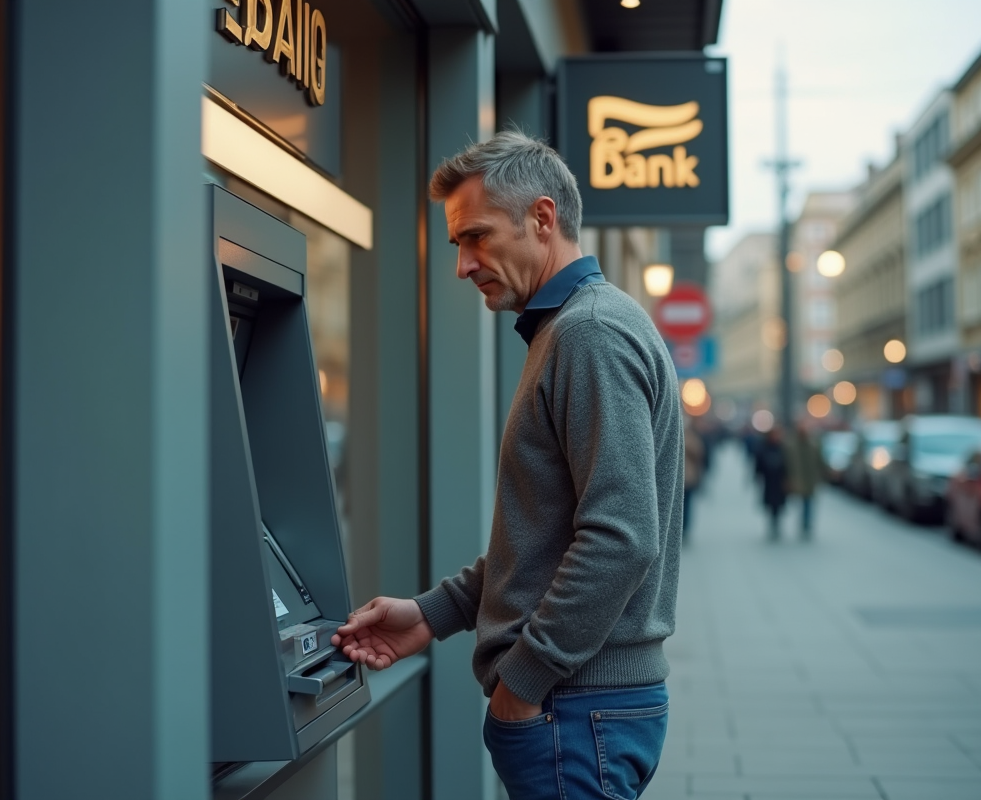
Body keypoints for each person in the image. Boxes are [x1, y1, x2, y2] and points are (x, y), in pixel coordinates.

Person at [331, 130, 684, 799]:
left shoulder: (588, 334)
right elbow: (546, 537)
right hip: (580, 707)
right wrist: (433, 612)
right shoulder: (573, 329)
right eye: (458, 243)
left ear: (542, 219)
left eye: (476, 237)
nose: (462, 266)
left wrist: (523, 684)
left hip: (573, 709)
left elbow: (620, 537)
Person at [785, 418, 824, 539]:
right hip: (797, 478)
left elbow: (820, 461)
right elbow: (787, 463)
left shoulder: (813, 445)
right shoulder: (791, 445)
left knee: (808, 503)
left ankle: (806, 524)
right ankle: (803, 522)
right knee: (799, 502)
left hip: (810, 479)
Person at [755, 425, 787, 540]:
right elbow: (759, 463)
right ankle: (772, 523)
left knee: (779, 505)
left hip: (780, 481)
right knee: (770, 505)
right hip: (769, 481)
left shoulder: (783, 448)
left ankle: (776, 523)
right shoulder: (764, 447)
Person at [682, 415, 707, 540]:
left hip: (688, 477)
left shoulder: (691, 437)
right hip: (683, 478)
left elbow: (698, 453)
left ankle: (685, 528)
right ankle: (683, 527)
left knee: (687, 504)